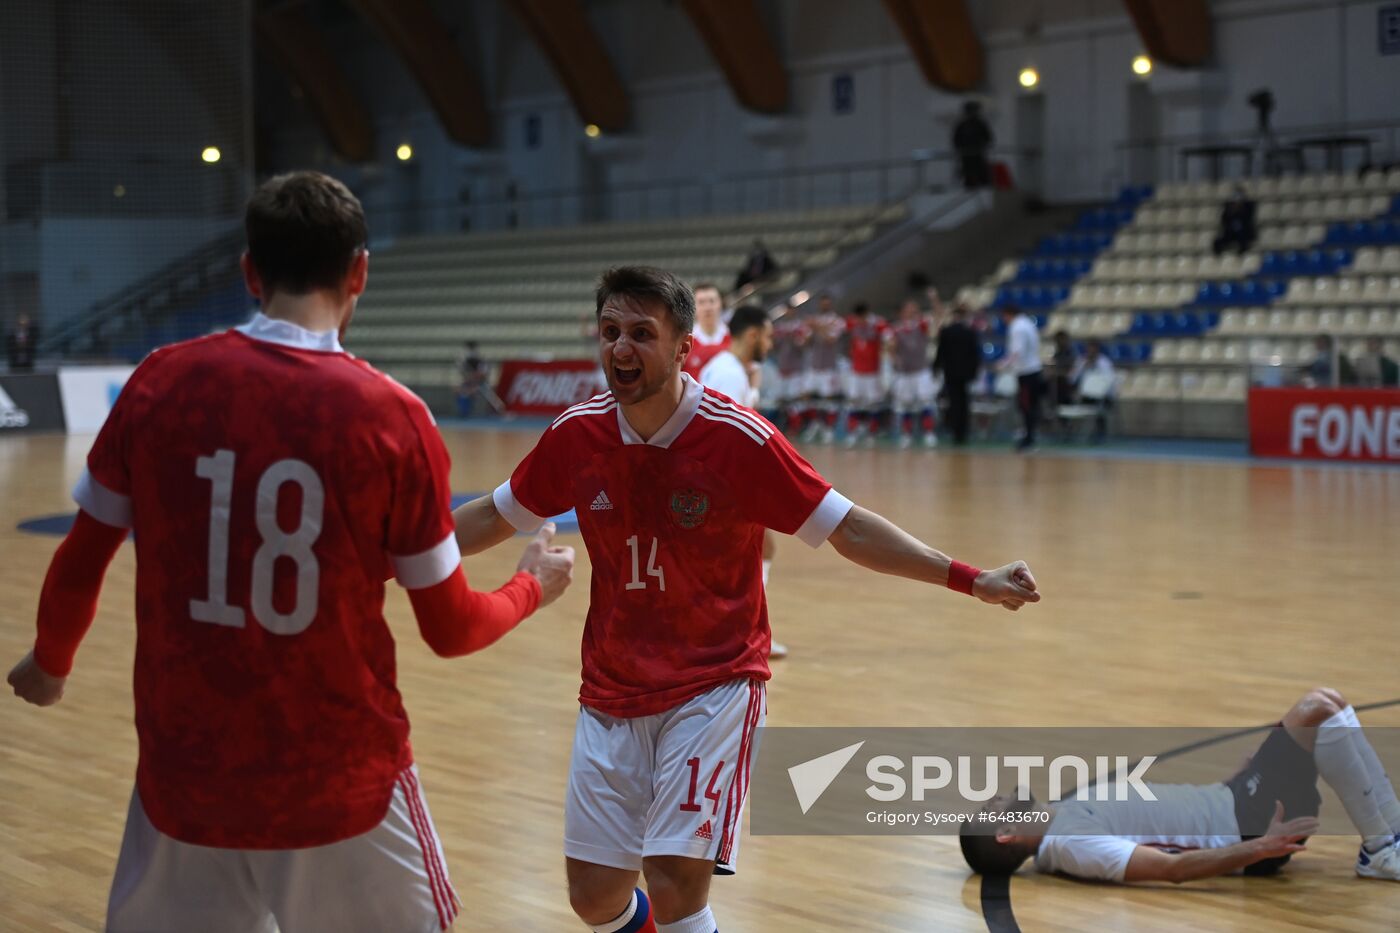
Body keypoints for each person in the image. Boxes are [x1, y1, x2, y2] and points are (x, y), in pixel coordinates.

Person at [5, 171, 576, 933]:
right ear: (360, 274)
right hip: (340, 781)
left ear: (250, 271)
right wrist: (531, 586)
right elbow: (450, 628)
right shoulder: (390, 416)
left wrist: (50, 661)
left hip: (185, 777)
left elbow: (83, 554)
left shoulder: (159, 383)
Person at [451, 265, 1041, 933]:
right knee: (593, 896)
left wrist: (970, 576)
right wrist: (391, 557)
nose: (620, 348)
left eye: (641, 334)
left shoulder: (740, 438)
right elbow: (492, 517)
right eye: (610, 331)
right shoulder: (577, 435)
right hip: (610, 687)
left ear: (682, 346)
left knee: (674, 883)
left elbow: (847, 527)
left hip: (713, 684)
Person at [961, 686, 1400, 884]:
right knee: (1315, 708)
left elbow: (1166, 817)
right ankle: (1381, 851)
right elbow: (1170, 869)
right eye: (993, 807)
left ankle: (1389, 838)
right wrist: (1259, 848)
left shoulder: (1063, 817)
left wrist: (1236, 781)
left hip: (1233, 800)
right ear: (1006, 833)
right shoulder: (1074, 845)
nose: (997, 797)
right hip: (1248, 828)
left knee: (1329, 705)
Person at [698, 304, 788, 661]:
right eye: (767, 336)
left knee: (761, 550)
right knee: (747, 556)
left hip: (717, 480)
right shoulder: (729, 374)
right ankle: (744, 634)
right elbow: (725, 435)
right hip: (722, 483)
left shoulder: (729, 369)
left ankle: (743, 631)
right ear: (752, 335)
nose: (769, 343)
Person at [887, 297, 938, 449]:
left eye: (914, 309)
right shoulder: (896, 328)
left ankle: (929, 433)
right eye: (909, 308)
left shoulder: (922, 324)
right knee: (905, 404)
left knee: (926, 401)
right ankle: (906, 435)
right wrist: (894, 357)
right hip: (904, 372)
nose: (912, 311)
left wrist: (934, 300)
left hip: (921, 371)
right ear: (902, 312)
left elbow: (938, 315)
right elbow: (890, 347)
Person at [934, 302, 981, 445]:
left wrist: (936, 367)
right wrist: (974, 372)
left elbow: (940, 353)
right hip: (965, 373)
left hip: (951, 372)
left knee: (954, 401)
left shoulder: (946, 331)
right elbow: (975, 354)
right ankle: (963, 431)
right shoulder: (970, 332)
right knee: (964, 401)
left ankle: (955, 431)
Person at [802, 294, 845, 444]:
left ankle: (828, 428)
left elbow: (831, 339)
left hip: (828, 366)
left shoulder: (837, 321)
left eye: (827, 304)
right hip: (814, 365)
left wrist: (817, 327)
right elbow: (805, 343)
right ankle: (815, 423)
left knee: (828, 398)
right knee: (808, 395)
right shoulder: (814, 321)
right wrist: (812, 330)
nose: (824, 306)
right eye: (822, 304)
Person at [844, 301, 887, 448]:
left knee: (873, 403)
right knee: (854, 402)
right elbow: (840, 327)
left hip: (872, 372)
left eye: (861, 318)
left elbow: (889, 336)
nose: (859, 321)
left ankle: (871, 434)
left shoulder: (878, 324)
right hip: (857, 370)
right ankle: (853, 433)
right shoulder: (853, 322)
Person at [1001, 305, 1043, 451]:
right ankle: (1029, 436)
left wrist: (1003, 364)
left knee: (1026, 407)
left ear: (1009, 314)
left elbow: (1017, 352)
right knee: (1030, 406)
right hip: (1034, 369)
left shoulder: (1017, 328)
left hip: (1026, 372)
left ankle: (1028, 439)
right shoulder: (1027, 323)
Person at [769, 302, 810, 436]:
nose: (788, 313)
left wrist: (793, 337)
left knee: (794, 398)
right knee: (782, 398)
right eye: (786, 311)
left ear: (794, 311)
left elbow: (803, 346)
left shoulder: (800, 327)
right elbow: (774, 347)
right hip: (783, 367)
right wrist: (777, 339)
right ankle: (784, 425)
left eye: (790, 311)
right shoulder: (780, 327)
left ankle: (797, 426)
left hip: (796, 368)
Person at [1069, 339, 1115, 443]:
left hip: (1104, 397)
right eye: (1088, 348)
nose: (1090, 351)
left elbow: (1108, 382)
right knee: (1069, 398)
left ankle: (1100, 432)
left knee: (1099, 405)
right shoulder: (1081, 361)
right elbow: (1072, 379)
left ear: (1097, 349)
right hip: (1085, 396)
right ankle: (1069, 430)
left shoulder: (1104, 363)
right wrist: (1083, 368)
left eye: (1093, 348)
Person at [681, 283, 730, 379]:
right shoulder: (684, 341)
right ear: (693, 306)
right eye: (701, 302)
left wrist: (754, 391)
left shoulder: (735, 337)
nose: (708, 307)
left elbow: (752, 368)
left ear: (721, 303)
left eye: (712, 301)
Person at [456, 339, 504, 417]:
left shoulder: (479, 360)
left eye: (470, 349)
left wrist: (475, 380)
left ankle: (499, 411)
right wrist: (469, 381)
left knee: (490, 397)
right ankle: (464, 412)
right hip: (470, 383)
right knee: (462, 392)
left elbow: (482, 374)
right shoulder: (465, 361)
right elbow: (464, 374)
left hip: (481, 383)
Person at [952, 101, 993, 190]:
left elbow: (988, 138)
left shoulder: (980, 124)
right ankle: (970, 189)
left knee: (982, 176)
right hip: (966, 156)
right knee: (968, 176)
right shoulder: (962, 125)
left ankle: (984, 190)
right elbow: (956, 140)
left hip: (978, 155)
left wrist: (980, 146)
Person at [1213, 185, 1257, 256]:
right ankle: (1219, 258)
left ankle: (1240, 257)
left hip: (1243, 232)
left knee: (1243, 239)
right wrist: (1231, 211)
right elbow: (1224, 221)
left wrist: (1240, 210)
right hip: (1231, 232)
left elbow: (1248, 221)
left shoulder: (1248, 207)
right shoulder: (1228, 208)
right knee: (1217, 241)